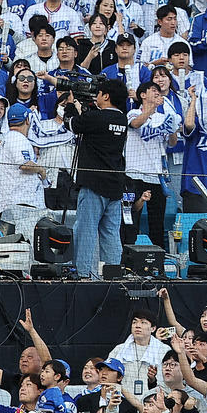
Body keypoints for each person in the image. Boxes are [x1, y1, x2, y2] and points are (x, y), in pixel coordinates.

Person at [62, 79, 129, 278]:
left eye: (99, 93)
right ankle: (113, 274)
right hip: (115, 186)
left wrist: (71, 106)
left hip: (93, 185)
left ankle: (82, 274)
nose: (96, 96)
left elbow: (71, 124)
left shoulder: (96, 118)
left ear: (106, 96)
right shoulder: (123, 120)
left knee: (86, 231)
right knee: (110, 234)